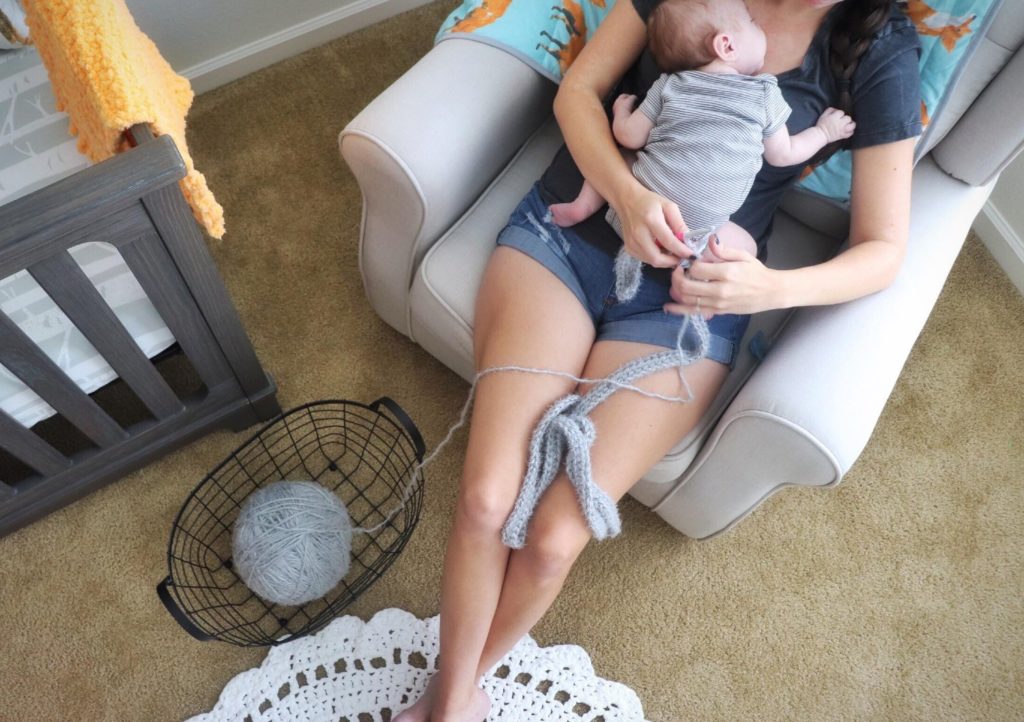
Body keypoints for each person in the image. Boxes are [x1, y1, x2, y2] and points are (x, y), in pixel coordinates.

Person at [394, 1, 921, 720]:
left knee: (552, 539)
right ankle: (454, 706)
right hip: (567, 243)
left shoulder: (879, 43)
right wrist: (628, 195)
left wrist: (768, 288)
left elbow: (884, 250)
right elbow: (580, 93)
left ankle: (447, 697)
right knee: (488, 497)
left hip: (685, 305)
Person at [549, 0, 856, 304]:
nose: (758, 26)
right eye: (751, 23)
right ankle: (698, 288)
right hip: (697, 233)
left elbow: (629, 136)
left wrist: (620, 110)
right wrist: (824, 132)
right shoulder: (763, 93)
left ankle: (585, 204)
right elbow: (784, 154)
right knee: (744, 247)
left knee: (620, 155)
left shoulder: (670, 84)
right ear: (727, 46)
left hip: (638, 200)